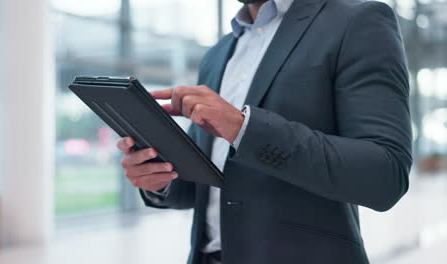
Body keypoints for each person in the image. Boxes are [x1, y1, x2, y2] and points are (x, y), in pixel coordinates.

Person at [116, 0, 412, 263]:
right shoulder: (218, 54)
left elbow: (385, 174)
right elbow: (207, 187)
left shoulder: (357, 22)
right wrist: (158, 177)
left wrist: (242, 127)